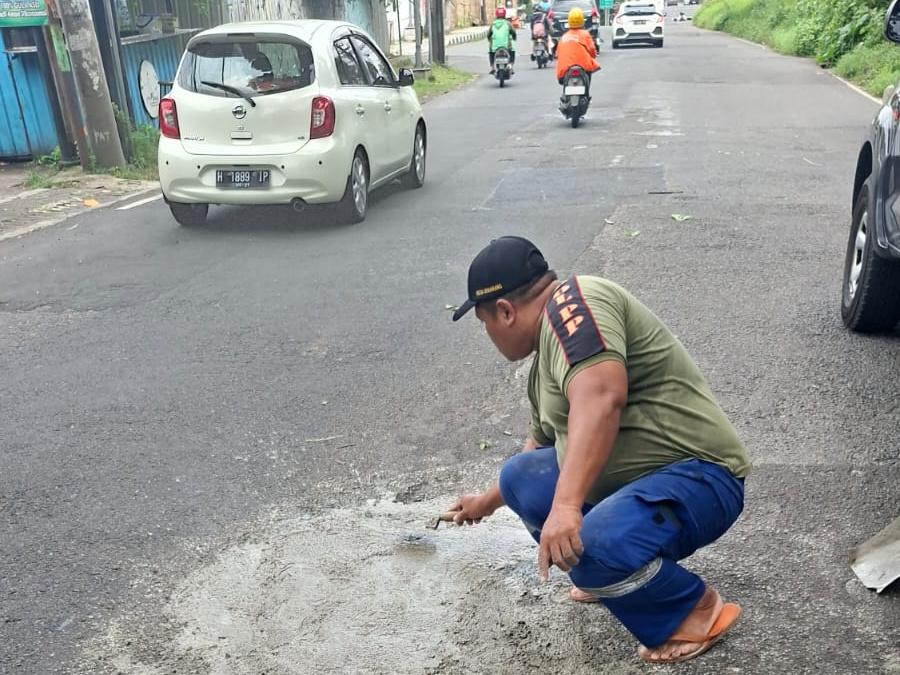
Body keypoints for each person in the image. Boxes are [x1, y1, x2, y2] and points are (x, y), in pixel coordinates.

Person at [447, 236, 752, 664]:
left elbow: (603, 396)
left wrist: (568, 508)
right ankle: (613, 567)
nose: (489, 334)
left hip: (702, 479)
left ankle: (693, 610)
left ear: (505, 310)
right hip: (645, 487)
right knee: (519, 476)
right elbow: (541, 447)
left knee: (588, 544)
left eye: (484, 322)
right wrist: (486, 502)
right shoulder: (546, 364)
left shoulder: (575, 304)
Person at [555, 8, 599, 99]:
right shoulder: (585, 34)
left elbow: (558, 54)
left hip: (565, 69)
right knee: (589, 73)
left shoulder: (564, 37)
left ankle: (565, 96)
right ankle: (586, 94)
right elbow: (592, 51)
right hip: (584, 67)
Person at [488, 6, 516, 74]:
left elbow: (489, 34)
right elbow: (513, 32)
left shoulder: (493, 24)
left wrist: (489, 39)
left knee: (491, 51)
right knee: (512, 49)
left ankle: (492, 67)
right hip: (506, 46)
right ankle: (511, 66)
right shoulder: (508, 23)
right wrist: (514, 37)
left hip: (495, 47)